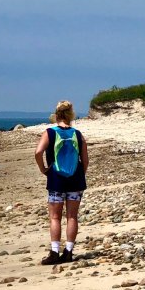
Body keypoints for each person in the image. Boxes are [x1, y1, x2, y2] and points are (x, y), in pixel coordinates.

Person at [35, 101, 89, 265]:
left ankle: (54, 252)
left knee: (55, 217)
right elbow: (85, 160)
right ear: (70, 115)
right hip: (76, 179)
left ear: (56, 115)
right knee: (72, 217)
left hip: (56, 180)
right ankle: (69, 251)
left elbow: (38, 152)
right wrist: (80, 174)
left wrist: (43, 169)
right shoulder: (77, 134)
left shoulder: (50, 132)